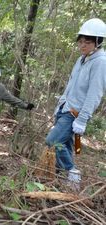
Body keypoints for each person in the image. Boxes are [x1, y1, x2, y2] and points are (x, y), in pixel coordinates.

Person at [45, 18, 106, 182]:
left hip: (75, 113)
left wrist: (83, 119)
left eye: (87, 42)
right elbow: (70, 85)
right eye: (80, 42)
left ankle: (72, 173)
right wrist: (59, 106)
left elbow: (95, 93)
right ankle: (62, 180)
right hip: (65, 108)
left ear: (98, 42)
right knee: (65, 145)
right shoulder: (81, 59)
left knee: (52, 141)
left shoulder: (100, 62)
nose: (82, 45)